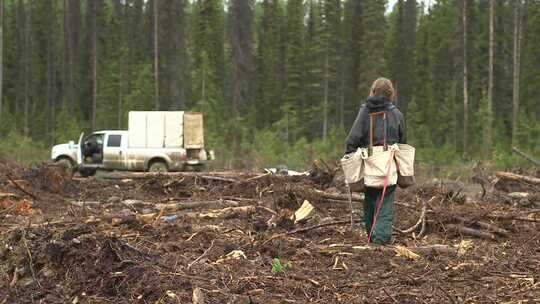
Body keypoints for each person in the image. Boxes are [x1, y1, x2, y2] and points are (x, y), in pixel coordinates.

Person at [345, 77, 406, 245]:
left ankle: (372, 238)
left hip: (370, 164)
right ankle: (381, 241)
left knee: (369, 201)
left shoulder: (365, 111)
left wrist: (349, 155)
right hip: (389, 166)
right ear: (391, 94)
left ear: (373, 91)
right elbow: (402, 142)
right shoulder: (397, 114)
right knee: (385, 204)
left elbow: (353, 137)